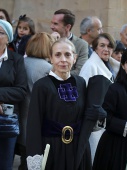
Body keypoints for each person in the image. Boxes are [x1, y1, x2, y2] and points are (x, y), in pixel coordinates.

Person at [26, 38, 105, 170]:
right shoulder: (41, 86)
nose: (63, 59)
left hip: (78, 148)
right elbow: (34, 124)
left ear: (74, 58)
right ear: (50, 58)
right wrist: (35, 159)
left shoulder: (80, 82)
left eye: (67, 55)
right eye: (57, 55)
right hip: (52, 149)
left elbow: (85, 115)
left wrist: (98, 112)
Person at [0, 19, 27, 170]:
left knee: (2, 166)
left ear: (8, 38)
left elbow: (21, 90)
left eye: (0, 32)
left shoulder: (16, 60)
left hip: (4, 123)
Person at [79, 33, 120, 163]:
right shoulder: (90, 65)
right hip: (94, 124)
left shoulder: (113, 66)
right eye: (102, 45)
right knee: (94, 159)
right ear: (95, 48)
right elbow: (81, 94)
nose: (106, 49)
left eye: (109, 46)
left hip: (107, 122)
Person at [17, 32, 54, 170]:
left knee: (23, 162)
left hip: (19, 123)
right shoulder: (48, 69)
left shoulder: (21, 62)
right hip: (37, 128)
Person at [50, 9, 89, 75]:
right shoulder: (48, 41)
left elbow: (80, 71)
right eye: (52, 23)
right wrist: (51, 42)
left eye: (55, 24)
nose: (51, 27)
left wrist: (60, 75)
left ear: (67, 27)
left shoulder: (81, 45)